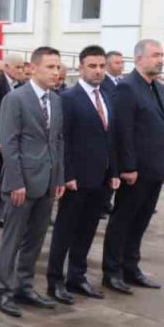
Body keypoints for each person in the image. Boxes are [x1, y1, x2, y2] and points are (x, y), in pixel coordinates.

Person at [0, 47, 67, 317]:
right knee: (12, 240)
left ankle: (24, 286)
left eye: (57, 67)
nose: (55, 72)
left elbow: (57, 141)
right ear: (33, 68)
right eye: (50, 67)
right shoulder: (16, 99)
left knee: (35, 239)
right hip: (21, 182)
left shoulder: (56, 100)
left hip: (47, 182)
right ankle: (3, 290)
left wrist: (59, 177)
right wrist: (16, 183)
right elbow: (9, 144)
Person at [47, 45, 120, 302]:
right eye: (92, 66)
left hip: (100, 179)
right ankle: (54, 281)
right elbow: (62, 139)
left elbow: (111, 137)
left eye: (101, 66)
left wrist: (114, 172)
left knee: (88, 229)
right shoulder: (68, 98)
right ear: (80, 67)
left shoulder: (108, 97)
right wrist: (67, 175)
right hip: (76, 179)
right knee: (65, 230)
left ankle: (77, 276)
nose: (98, 71)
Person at [102, 39, 164, 293]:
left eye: (162, 55)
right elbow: (123, 131)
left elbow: (162, 128)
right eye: (155, 55)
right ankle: (112, 271)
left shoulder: (158, 88)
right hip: (136, 171)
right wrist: (128, 167)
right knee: (123, 221)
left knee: (141, 222)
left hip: (155, 169)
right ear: (139, 58)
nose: (160, 59)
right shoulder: (127, 88)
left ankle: (131, 268)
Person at [0, 53, 27, 231]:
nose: (20, 71)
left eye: (22, 67)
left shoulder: (20, 86)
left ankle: (1, 216)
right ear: (7, 67)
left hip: (15, 141)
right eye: (17, 67)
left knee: (7, 181)